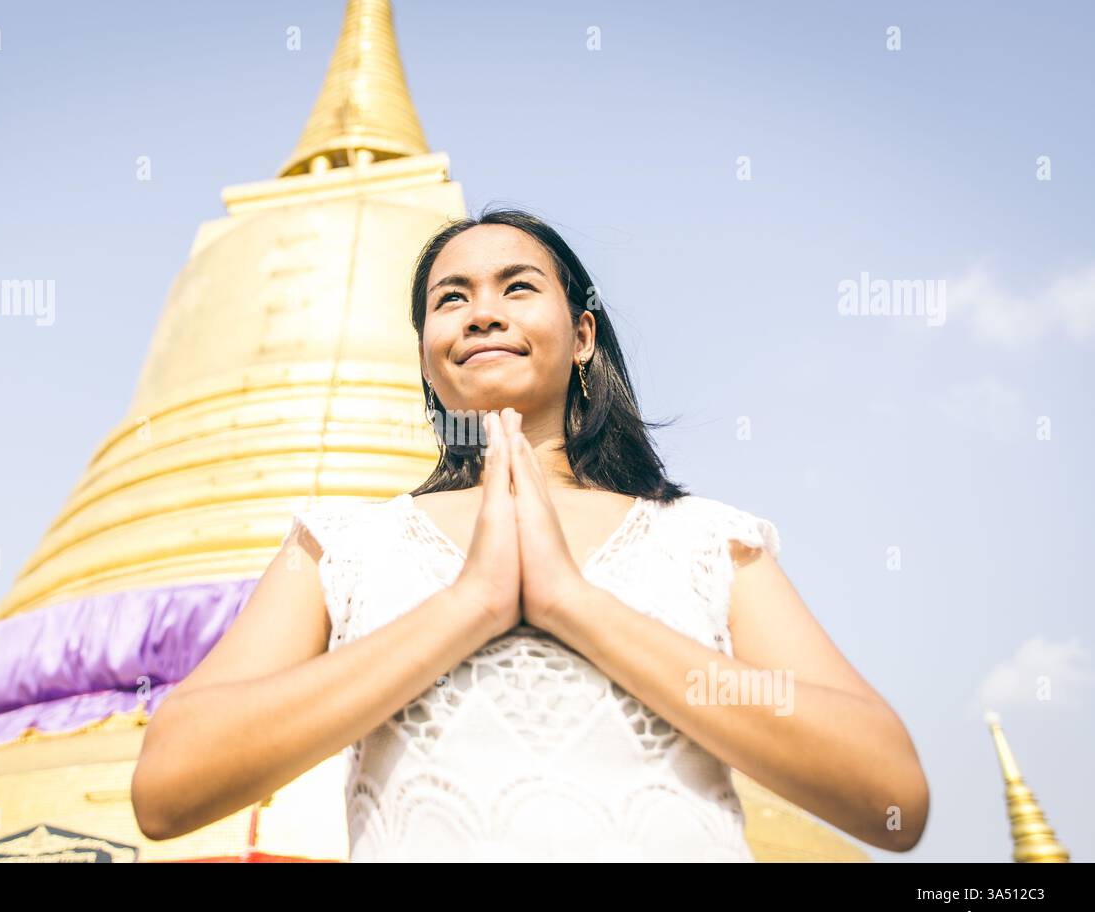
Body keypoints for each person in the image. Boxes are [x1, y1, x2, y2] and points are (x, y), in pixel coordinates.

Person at [131, 207, 930, 861]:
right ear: (425, 357)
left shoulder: (705, 539)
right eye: (451, 299)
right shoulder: (342, 545)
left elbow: (891, 795)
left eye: (517, 288)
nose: (483, 312)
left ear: (582, 337)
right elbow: (168, 786)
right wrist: (469, 607)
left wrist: (571, 603)